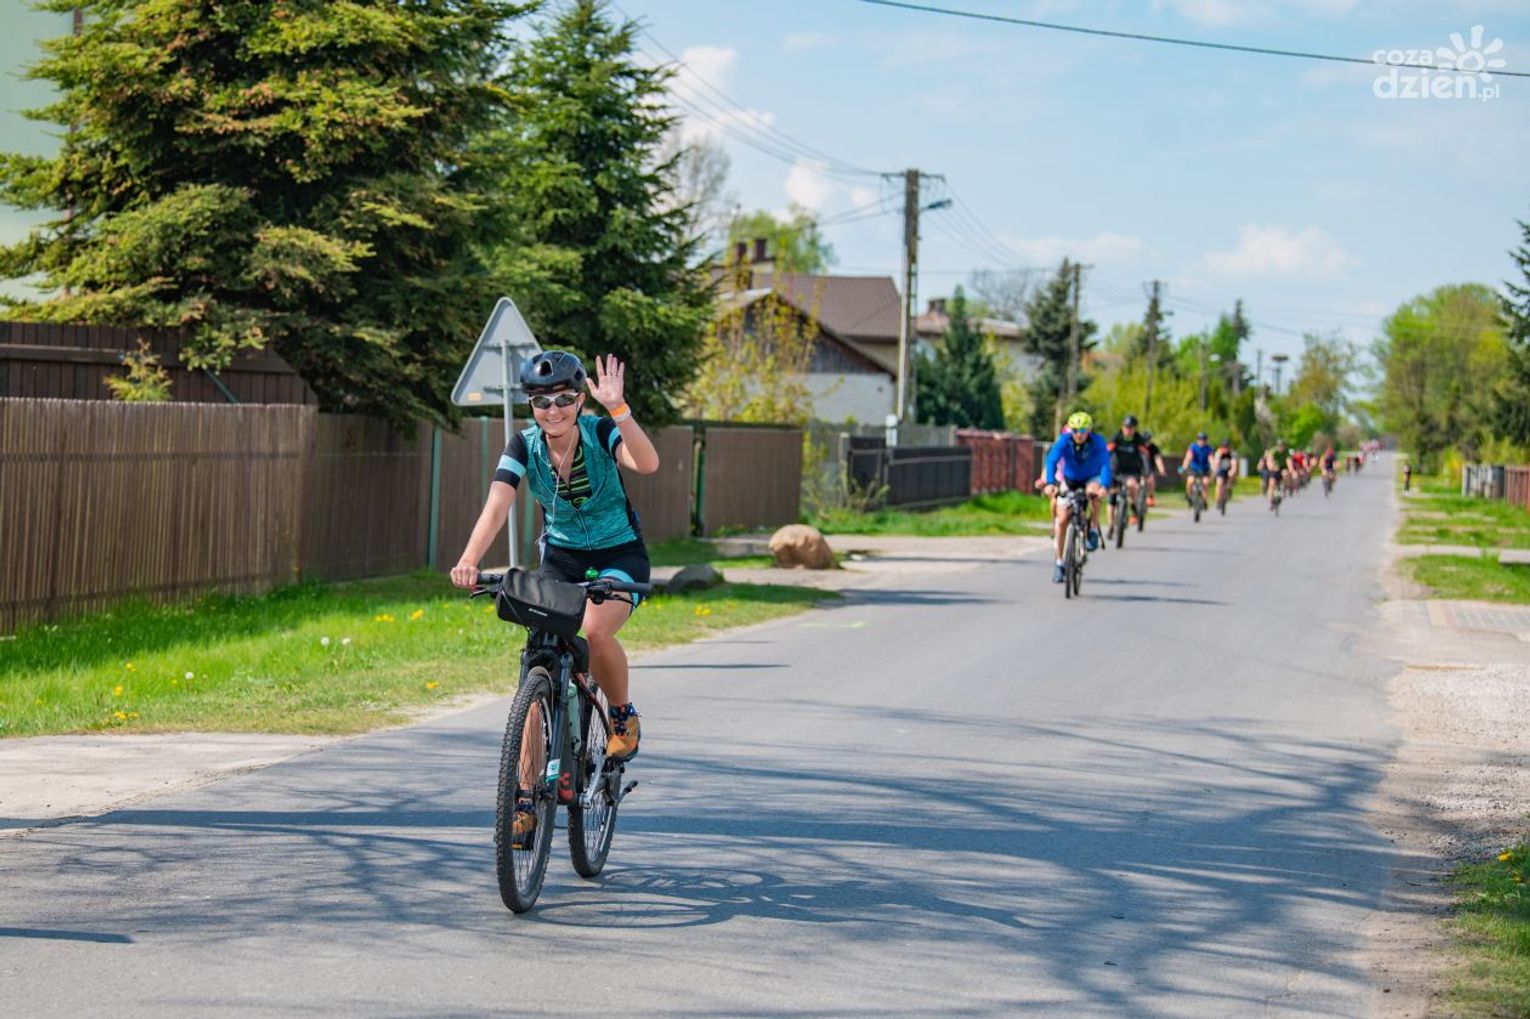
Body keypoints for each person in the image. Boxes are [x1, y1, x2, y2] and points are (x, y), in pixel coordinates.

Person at [451, 352, 659, 841]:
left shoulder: (600, 431)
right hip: (561, 557)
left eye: (564, 399)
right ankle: (525, 797)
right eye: (542, 401)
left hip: (619, 553)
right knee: (538, 662)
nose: (554, 410)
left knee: (595, 629)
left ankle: (622, 718)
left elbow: (646, 463)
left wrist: (619, 409)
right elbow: (497, 505)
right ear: (531, 405)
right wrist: (469, 559)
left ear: (580, 400)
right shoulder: (523, 446)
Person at [1043, 411, 1113, 583]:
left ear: (1089, 430)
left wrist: (1104, 486)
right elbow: (1051, 461)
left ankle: (1093, 528)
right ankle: (1059, 563)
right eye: (1075, 430)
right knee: (1062, 520)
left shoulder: (1097, 441)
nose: (1078, 434)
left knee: (1094, 493)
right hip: (1070, 480)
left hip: (1091, 478)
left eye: (1082, 430)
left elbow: (1105, 464)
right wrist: (1050, 483)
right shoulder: (1064, 441)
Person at [1106, 415, 1151, 529]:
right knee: (1112, 497)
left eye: (1131, 427)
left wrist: (1147, 470)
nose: (1128, 429)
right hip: (1116, 470)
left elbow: (1145, 456)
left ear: (1135, 428)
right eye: (1126, 427)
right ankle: (1110, 525)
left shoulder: (1138, 439)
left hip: (1132, 471)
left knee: (1132, 485)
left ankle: (1135, 506)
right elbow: (1107, 451)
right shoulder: (1116, 437)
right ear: (1122, 426)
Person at [1181, 431, 1214, 504]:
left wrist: (1213, 468)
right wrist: (1184, 467)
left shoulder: (1208, 449)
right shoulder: (1193, 447)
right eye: (1200, 439)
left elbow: (1211, 459)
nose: (1202, 441)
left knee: (1205, 483)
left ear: (1206, 441)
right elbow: (1188, 457)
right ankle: (1189, 496)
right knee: (1190, 481)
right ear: (1197, 440)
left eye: (1203, 440)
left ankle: (1204, 500)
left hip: (1204, 469)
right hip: (1194, 469)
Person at [1258, 440, 1290, 507]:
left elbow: (1289, 461)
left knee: (1286, 474)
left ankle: (1284, 490)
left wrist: (1292, 470)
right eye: (1280, 446)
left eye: (1282, 446)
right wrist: (1271, 467)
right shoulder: (1273, 451)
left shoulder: (1286, 452)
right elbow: (1269, 460)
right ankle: (1271, 499)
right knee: (1272, 483)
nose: (1281, 448)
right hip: (1274, 467)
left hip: (1283, 467)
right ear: (1277, 446)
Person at [1141, 430, 1166, 507]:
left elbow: (1157, 459)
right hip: (1138, 468)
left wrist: (1161, 469)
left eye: (1148, 440)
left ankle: (1151, 496)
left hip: (1149, 468)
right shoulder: (1138, 446)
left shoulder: (1154, 448)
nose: (1147, 442)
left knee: (1151, 480)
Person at [1212, 437, 1239, 507]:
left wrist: (1232, 471)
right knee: (1219, 483)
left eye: (1227, 447)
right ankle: (1218, 500)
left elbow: (1234, 464)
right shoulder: (1218, 453)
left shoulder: (1232, 453)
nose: (1225, 449)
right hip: (1221, 470)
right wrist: (1215, 471)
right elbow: (1216, 463)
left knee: (1231, 476)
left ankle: (1229, 487)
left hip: (1229, 470)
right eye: (1224, 447)